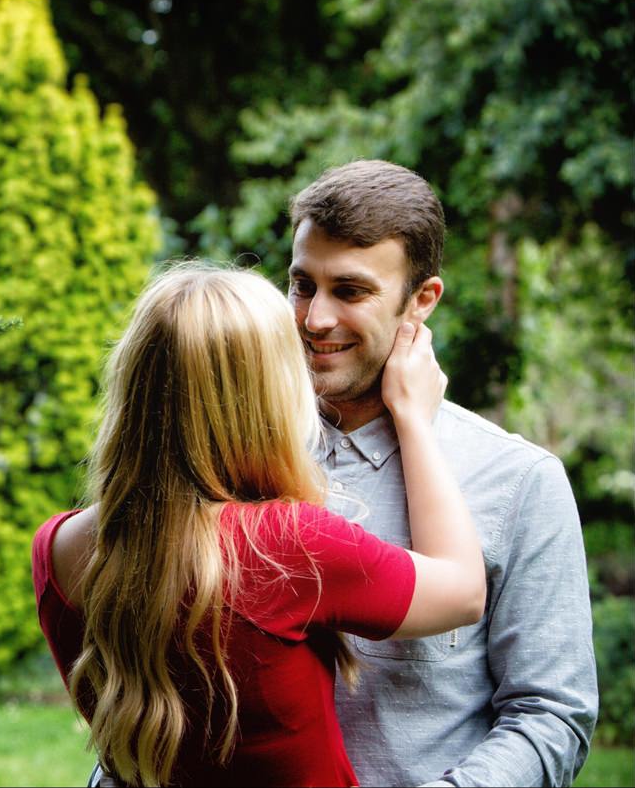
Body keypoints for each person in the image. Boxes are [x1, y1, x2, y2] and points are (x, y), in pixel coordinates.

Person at [32, 262, 486, 787]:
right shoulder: (285, 544)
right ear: (265, 395)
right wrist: (413, 416)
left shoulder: (58, 546)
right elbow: (462, 590)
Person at [286, 160, 598, 786]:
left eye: (350, 291)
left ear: (421, 301)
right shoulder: (228, 453)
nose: (315, 318)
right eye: (301, 285)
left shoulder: (519, 482)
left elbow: (551, 716)